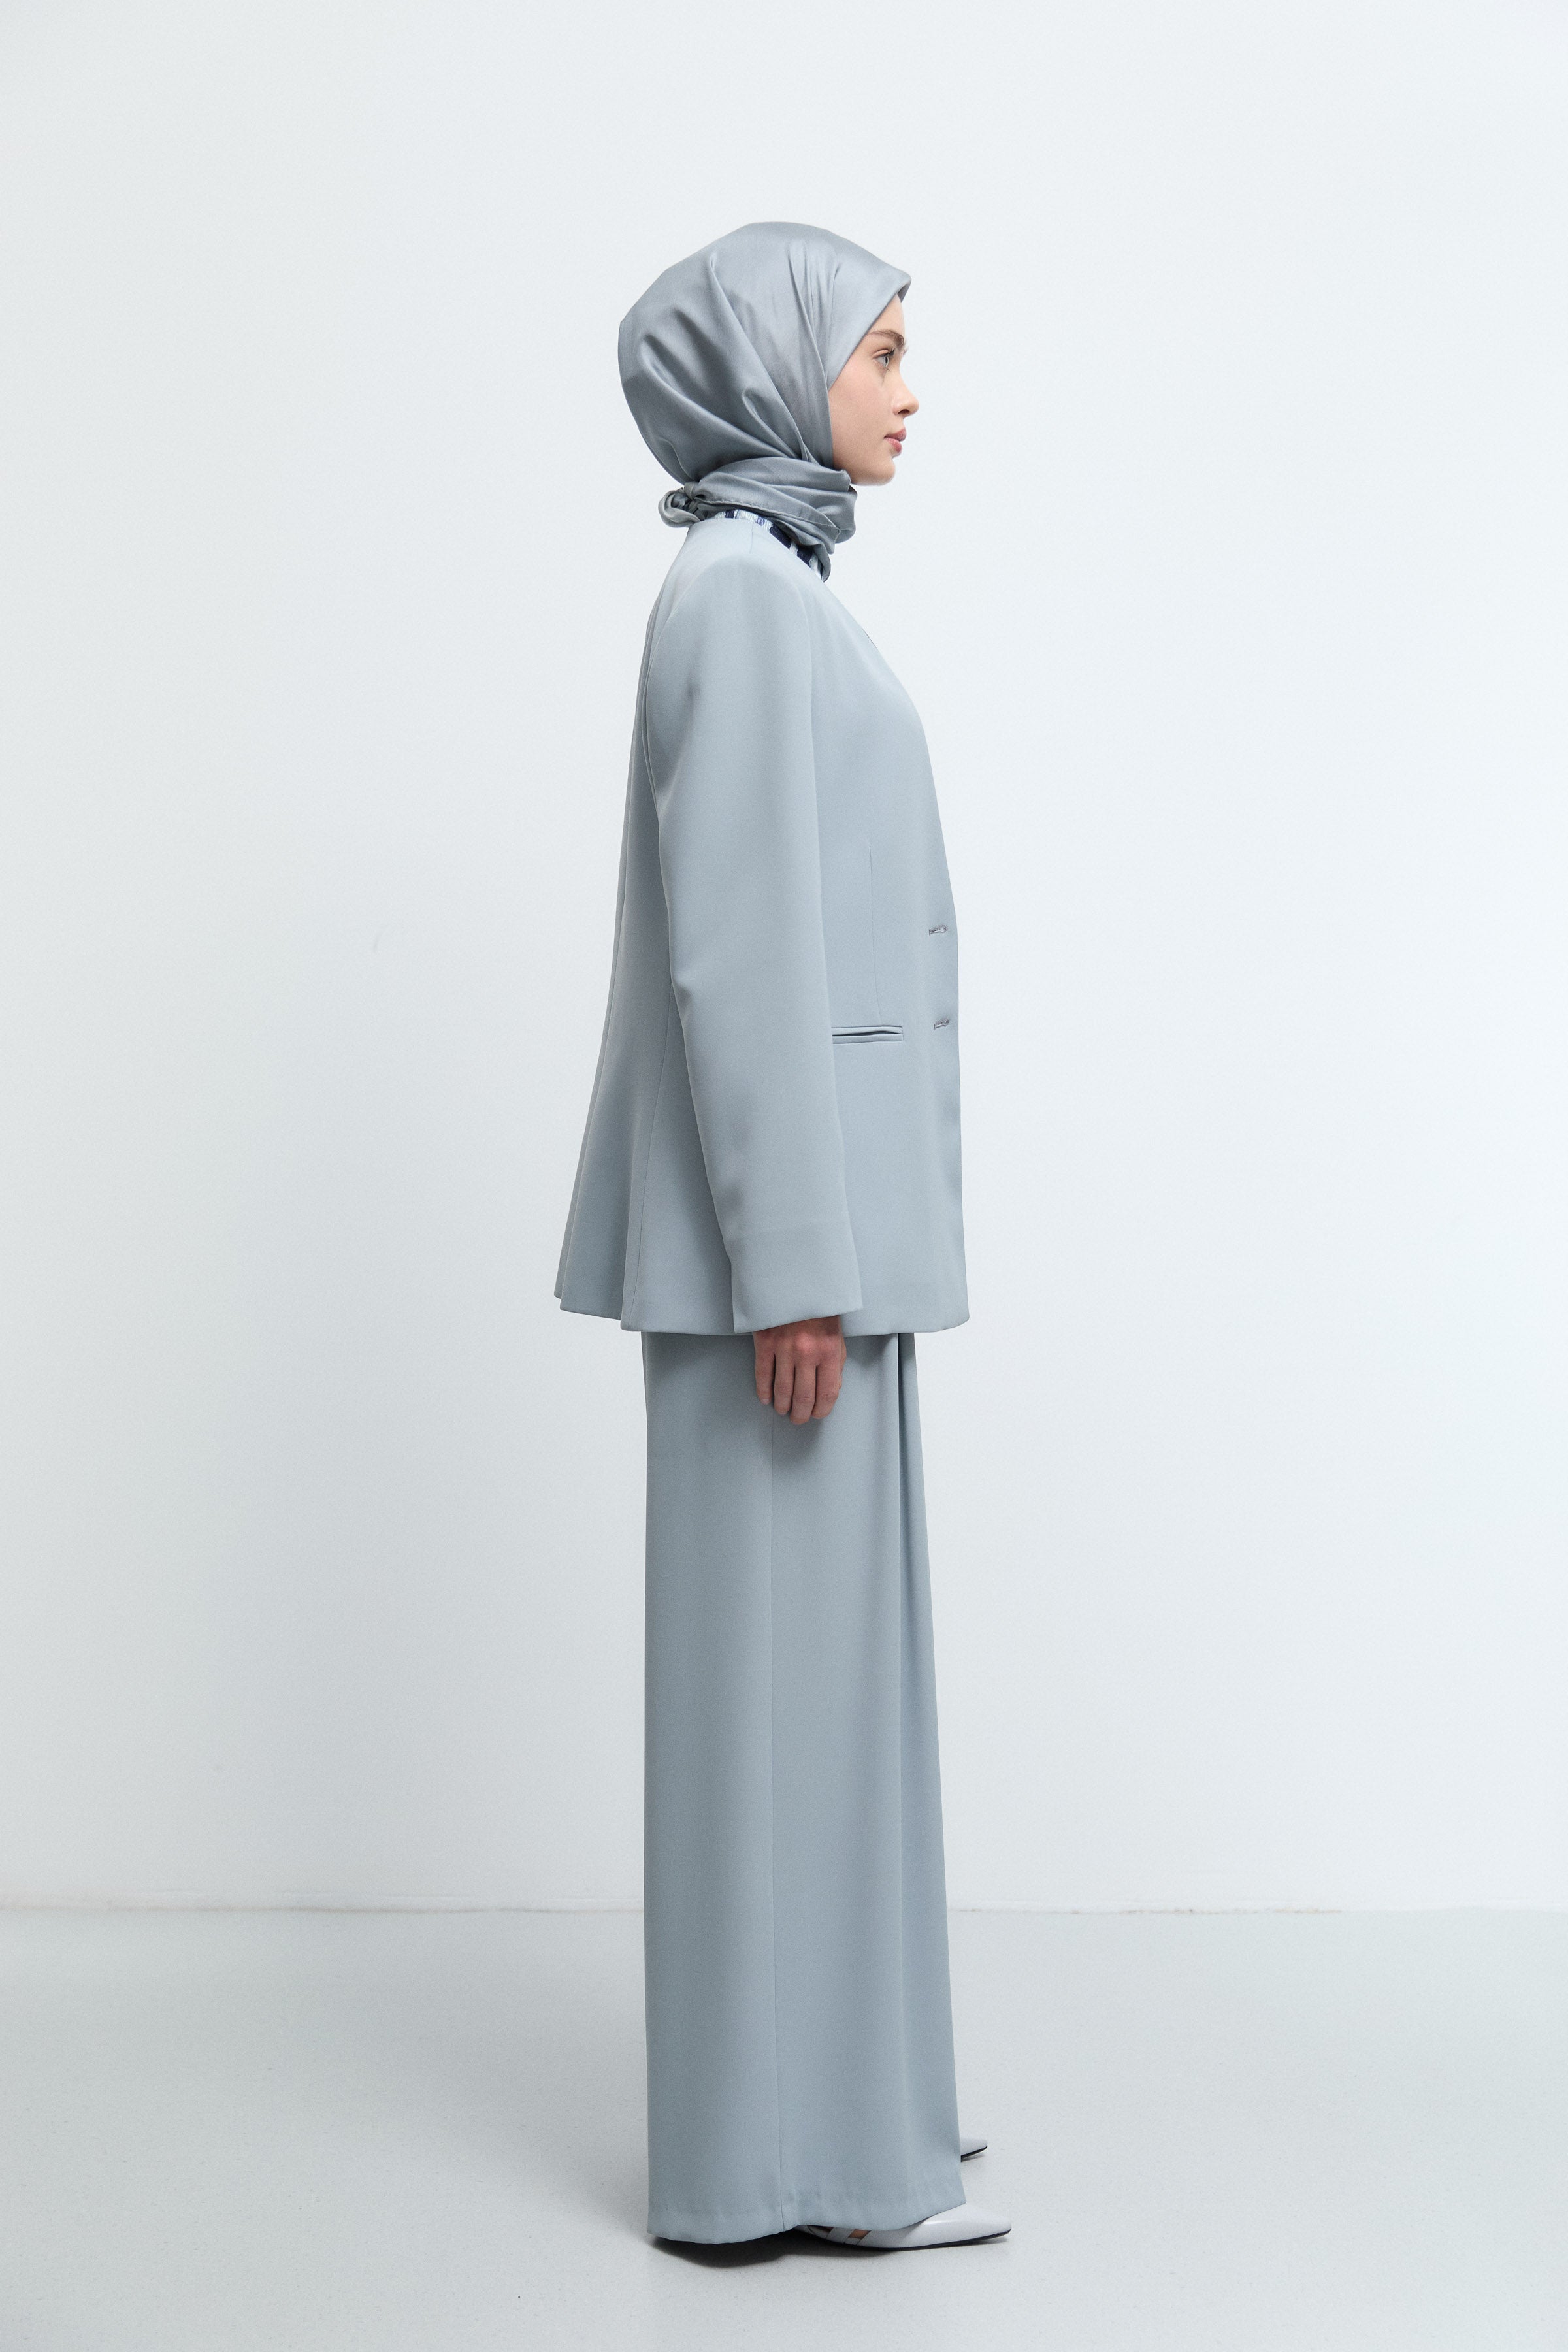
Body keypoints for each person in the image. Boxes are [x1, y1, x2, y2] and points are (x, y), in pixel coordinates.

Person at [556, 222, 1008, 2251]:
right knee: (779, 1710)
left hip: (821, 1249)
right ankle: (783, 2168)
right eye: (881, 350)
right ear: (776, 368)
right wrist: (794, 1268)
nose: (911, 388)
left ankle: (853, 2114)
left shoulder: (771, 585)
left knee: (832, 1697)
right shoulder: (742, 602)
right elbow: (739, 963)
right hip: (789, 1268)